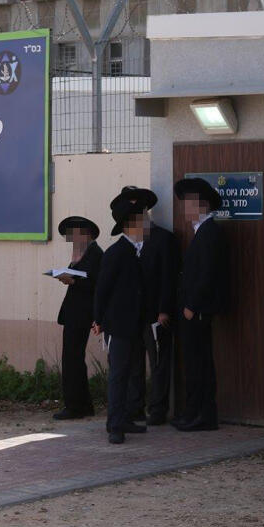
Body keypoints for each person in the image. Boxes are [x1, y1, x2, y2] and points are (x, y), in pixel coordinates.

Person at [111, 186, 181, 426]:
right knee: (134, 363)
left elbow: (168, 278)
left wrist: (164, 310)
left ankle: (158, 409)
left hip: (155, 313)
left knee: (159, 361)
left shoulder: (164, 239)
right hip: (133, 314)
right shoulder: (127, 244)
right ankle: (134, 407)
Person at [172, 177, 227, 432]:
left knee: (200, 363)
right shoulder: (199, 232)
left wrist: (192, 305)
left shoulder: (210, 232)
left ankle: (203, 414)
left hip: (198, 311)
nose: (185, 209)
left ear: (202, 205)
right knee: (193, 362)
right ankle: (192, 411)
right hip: (192, 310)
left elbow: (208, 274)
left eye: (189, 204)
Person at [92, 199, 149, 444]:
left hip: (136, 324)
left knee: (132, 372)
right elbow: (101, 289)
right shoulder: (116, 253)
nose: (146, 224)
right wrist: (98, 319)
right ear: (130, 224)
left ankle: (125, 417)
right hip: (118, 324)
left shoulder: (138, 251)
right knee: (118, 374)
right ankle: (115, 424)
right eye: (142, 219)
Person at [53, 216, 103, 421]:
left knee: (72, 358)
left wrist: (72, 281)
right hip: (74, 312)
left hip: (83, 313)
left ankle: (75, 406)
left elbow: (95, 283)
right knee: (72, 358)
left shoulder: (95, 254)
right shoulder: (80, 254)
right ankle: (82, 404)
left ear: (87, 234)